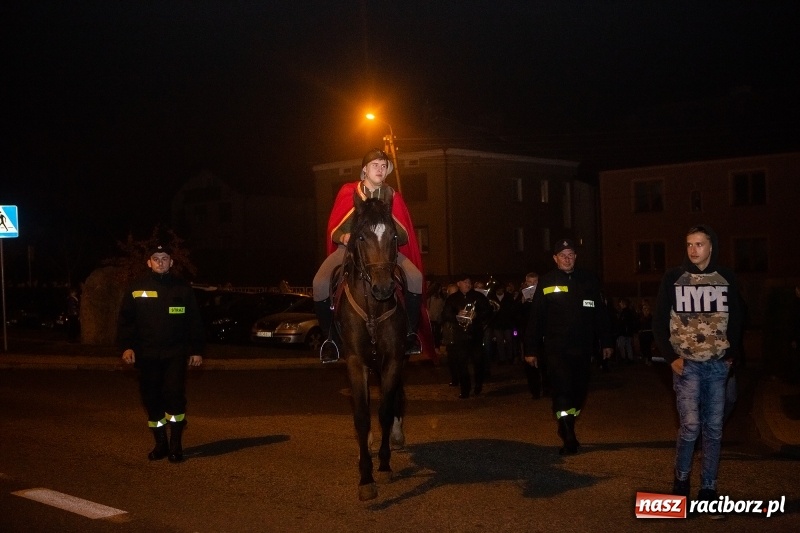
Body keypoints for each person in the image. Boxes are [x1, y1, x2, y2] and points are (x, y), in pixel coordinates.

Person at [653, 224, 743, 513]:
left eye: (699, 244)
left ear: (711, 246)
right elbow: (657, 321)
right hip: (687, 364)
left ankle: (709, 486)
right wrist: (670, 357)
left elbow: (740, 317)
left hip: (717, 365)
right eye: (689, 244)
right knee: (690, 427)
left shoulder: (725, 277)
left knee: (714, 429)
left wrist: (731, 353)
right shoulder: (673, 278)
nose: (693, 250)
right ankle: (681, 481)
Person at [312, 149, 427, 363]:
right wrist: (344, 237)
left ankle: (410, 334)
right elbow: (333, 229)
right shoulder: (348, 191)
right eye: (376, 165)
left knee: (415, 278)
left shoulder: (392, 196)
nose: (380, 170)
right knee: (319, 282)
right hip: (348, 250)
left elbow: (403, 235)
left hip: (384, 253)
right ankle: (331, 340)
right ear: (365, 169)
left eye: (384, 166)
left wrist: (389, 229)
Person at [524, 240, 614, 454]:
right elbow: (535, 318)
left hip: (583, 348)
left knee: (579, 391)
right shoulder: (546, 282)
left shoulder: (589, 280)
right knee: (562, 389)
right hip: (557, 349)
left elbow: (601, 314)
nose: (567, 258)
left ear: (576, 257)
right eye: (562, 255)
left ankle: (568, 423)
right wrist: (530, 349)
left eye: (570, 254)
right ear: (555, 258)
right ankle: (568, 433)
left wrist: (607, 341)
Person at [118, 242, 205, 463]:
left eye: (164, 258)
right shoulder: (136, 288)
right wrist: (126, 347)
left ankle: (176, 446)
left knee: (174, 397)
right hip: (146, 355)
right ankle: (161, 444)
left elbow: (194, 321)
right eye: (156, 258)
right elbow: (126, 321)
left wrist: (196, 350)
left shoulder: (182, 288)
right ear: (149, 262)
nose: (160, 262)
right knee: (151, 398)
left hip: (175, 354)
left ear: (171, 262)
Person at [442, 274, 493, 399]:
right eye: (465, 282)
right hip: (460, 335)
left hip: (475, 334)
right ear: (458, 284)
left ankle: (478, 385)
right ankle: (465, 389)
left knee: (478, 362)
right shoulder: (452, 298)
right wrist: (457, 315)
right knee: (461, 364)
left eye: (469, 282)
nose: (468, 284)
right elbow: (445, 314)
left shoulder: (478, 296)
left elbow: (488, 311)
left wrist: (477, 315)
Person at [614, 297, 637, 363]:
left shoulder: (624, 313)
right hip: (628, 332)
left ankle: (624, 358)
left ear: (623, 304)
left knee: (622, 345)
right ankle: (630, 358)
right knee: (628, 345)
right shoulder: (628, 312)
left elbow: (622, 323)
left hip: (623, 332)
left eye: (621, 303)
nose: (619, 304)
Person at [637, 300, 655, 365]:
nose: (646, 310)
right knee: (643, 347)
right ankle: (645, 358)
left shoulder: (651, 317)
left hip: (648, 335)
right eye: (644, 309)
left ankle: (649, 359)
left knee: (648, 347)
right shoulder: (640, 317)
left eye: (647, 309)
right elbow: (638, 325)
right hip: (642, 335)